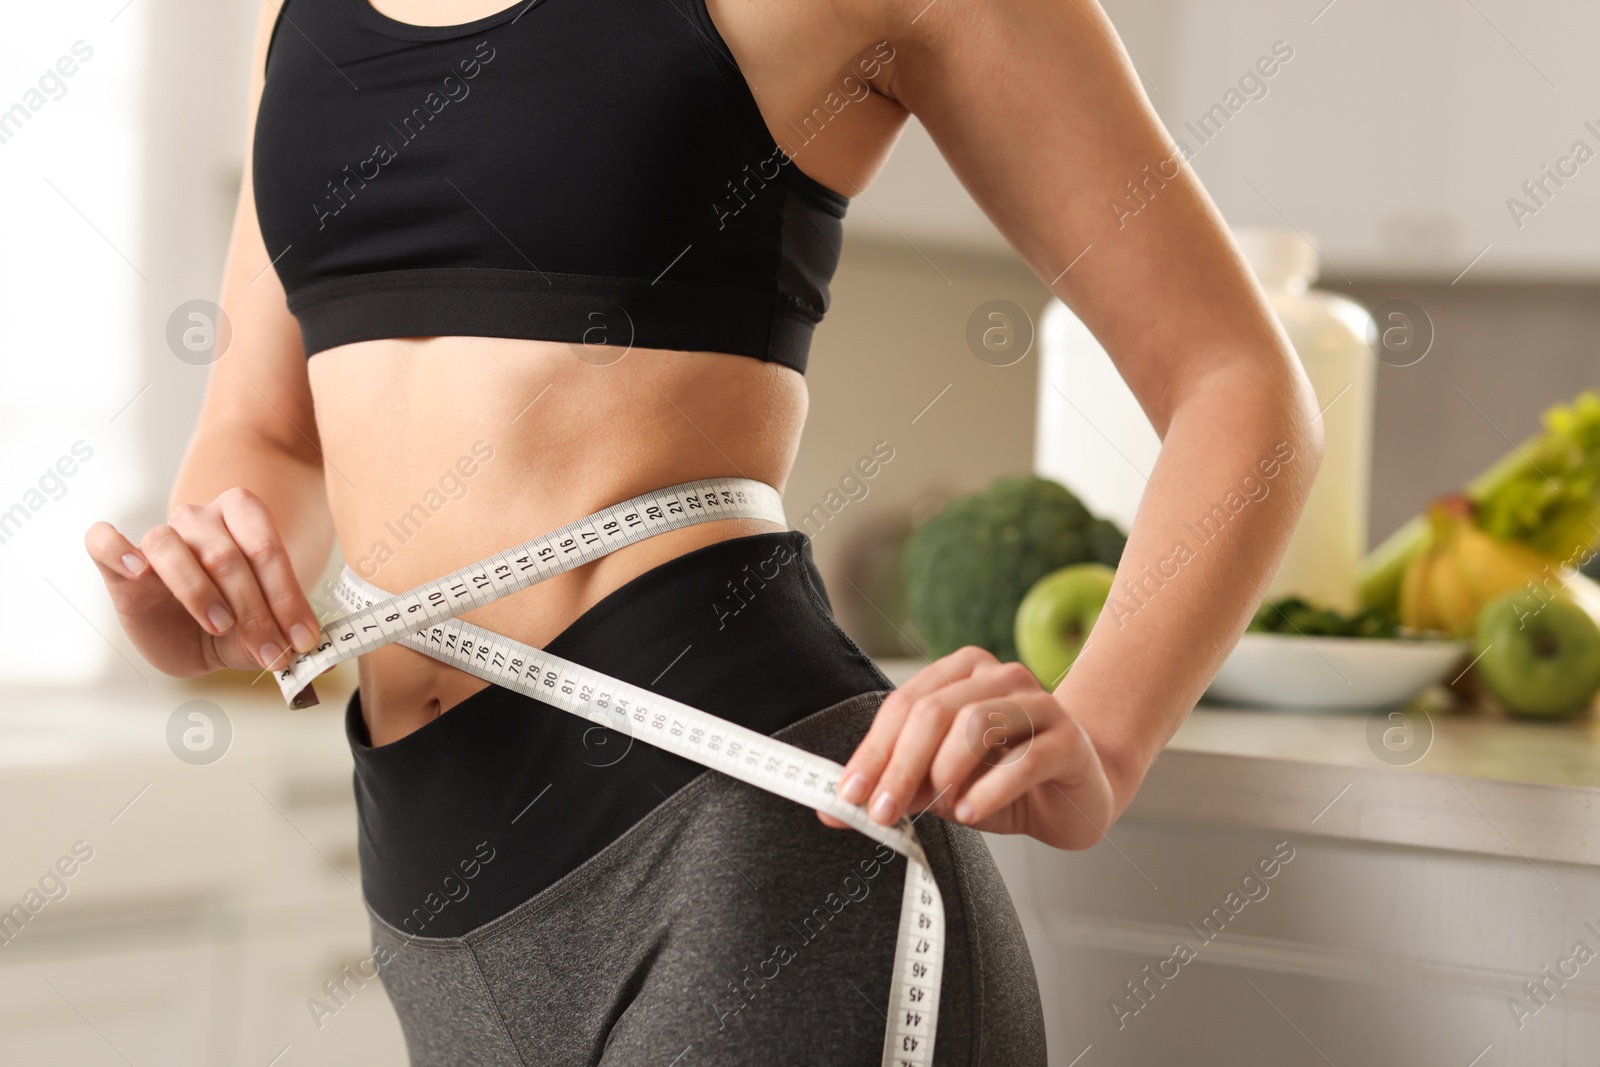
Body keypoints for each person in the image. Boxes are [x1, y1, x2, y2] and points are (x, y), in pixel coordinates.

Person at [85, 0, 1321, 1063]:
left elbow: (1238, 384)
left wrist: (1104, 734)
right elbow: (271, 433)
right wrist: (200, 585)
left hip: (743, 852)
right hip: (429, 888)